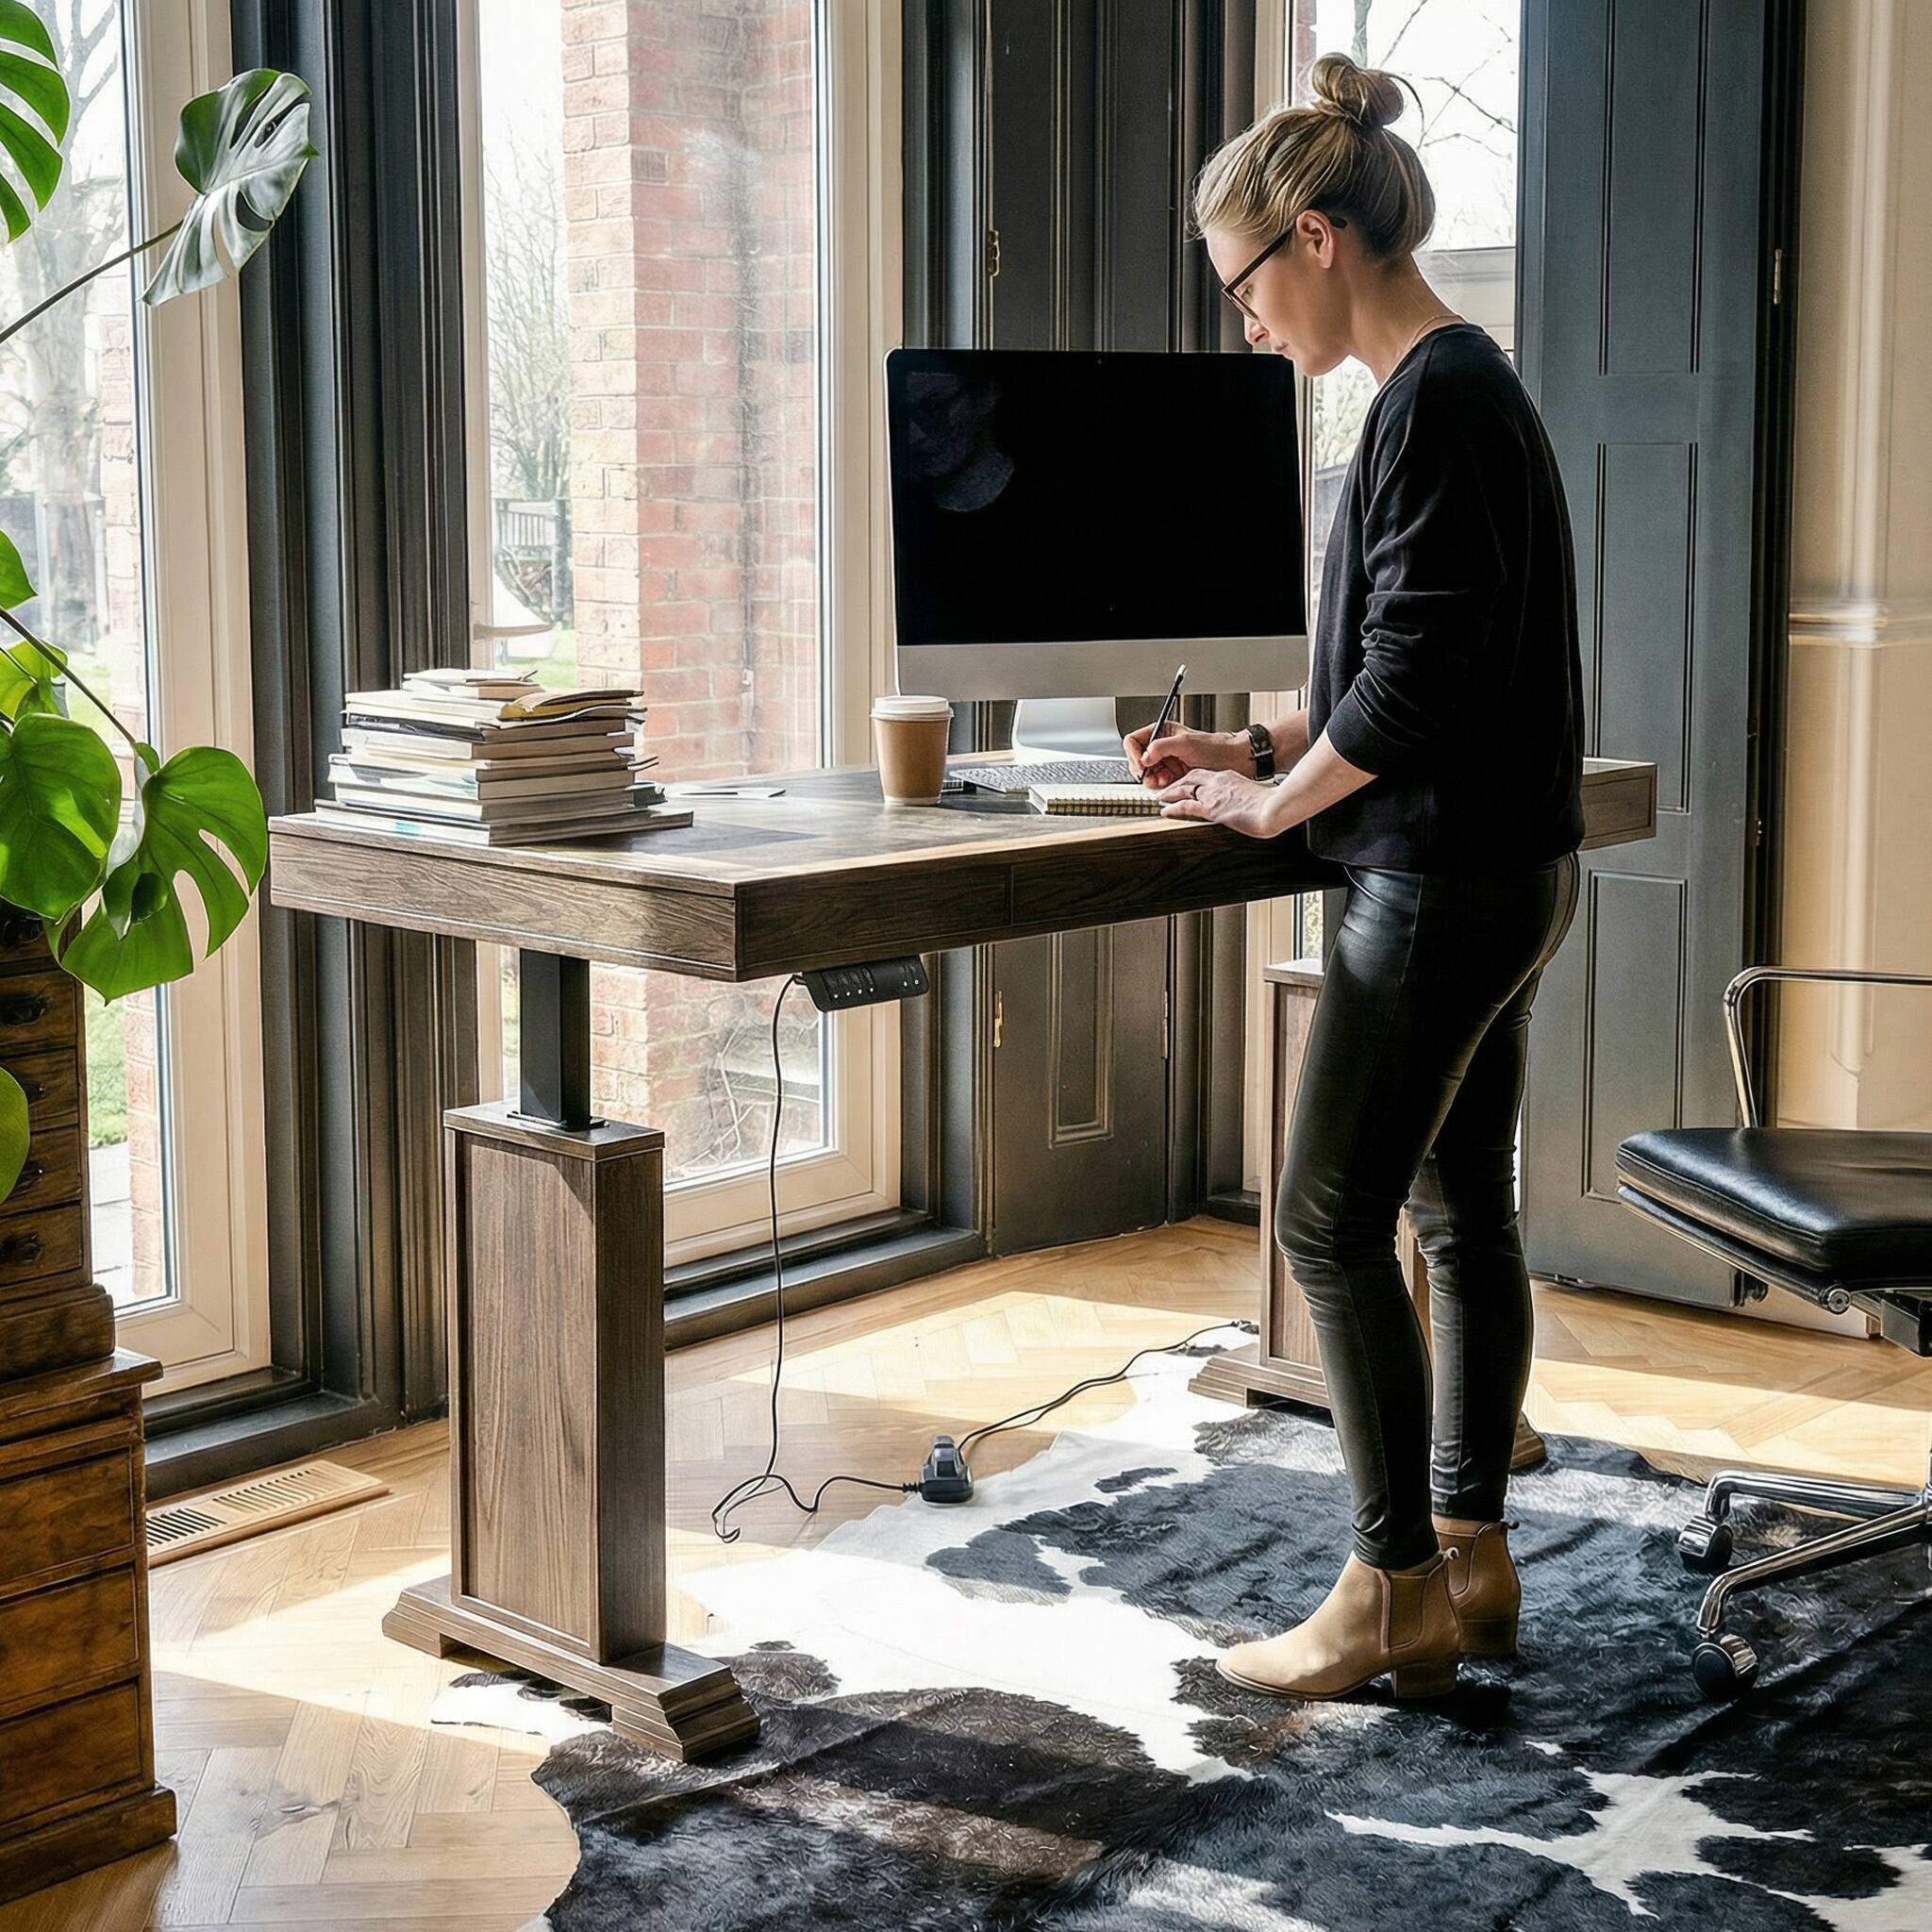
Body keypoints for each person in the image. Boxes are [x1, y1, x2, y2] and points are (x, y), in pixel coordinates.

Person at [1124, 51, 1585, 1702]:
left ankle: (1387, 1586)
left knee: (1326, 1224)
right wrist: (1261, 757)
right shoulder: (1460, 388)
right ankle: (1467, 1555)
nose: (1243, 322)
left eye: (1243, 284)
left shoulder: (1431, 400)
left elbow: (1414, 687)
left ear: (1315, 240)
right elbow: (1408, 656)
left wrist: (1277, 811)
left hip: (1440, 882)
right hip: (1503, 869)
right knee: (1461, 1216)